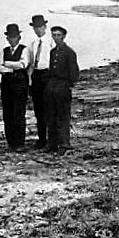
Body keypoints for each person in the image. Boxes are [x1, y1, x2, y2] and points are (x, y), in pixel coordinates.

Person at [45, 26, 79, 155]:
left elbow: (74, 74)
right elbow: (51, 70)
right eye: (54, 35)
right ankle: (52, 143)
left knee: (63, 116)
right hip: (52, 87)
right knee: (51, 115)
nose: (56, 38)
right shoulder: (53, 51)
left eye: (58, 35)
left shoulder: (69, 52)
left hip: (63, 87)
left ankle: (64, 143)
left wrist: (67, 85)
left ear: (64, 36)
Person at [0, 23, 30, 152]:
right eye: (10, 37)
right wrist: (11, 69)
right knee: (8, 113)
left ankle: (20, 142)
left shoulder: (25, 49)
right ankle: (10, 142)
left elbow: (23, 64)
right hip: (6, 85)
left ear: (19, 37)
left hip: (20, 85)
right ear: (7, 38)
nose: (12, 39)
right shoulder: (4, 51)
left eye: (15, 37)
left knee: (19, 113)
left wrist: (7, 64)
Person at [27, 14, 54, 149]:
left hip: (47, 75)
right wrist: (30, 82)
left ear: (45, 27)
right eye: (35, 27)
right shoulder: (32, 44)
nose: (38, 30)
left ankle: (51, 138)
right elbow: (31, 64)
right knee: (38, 109)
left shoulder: (51, 42)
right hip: (36, 76)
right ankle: (42, 138)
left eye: (40, 27)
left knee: (49, 108)